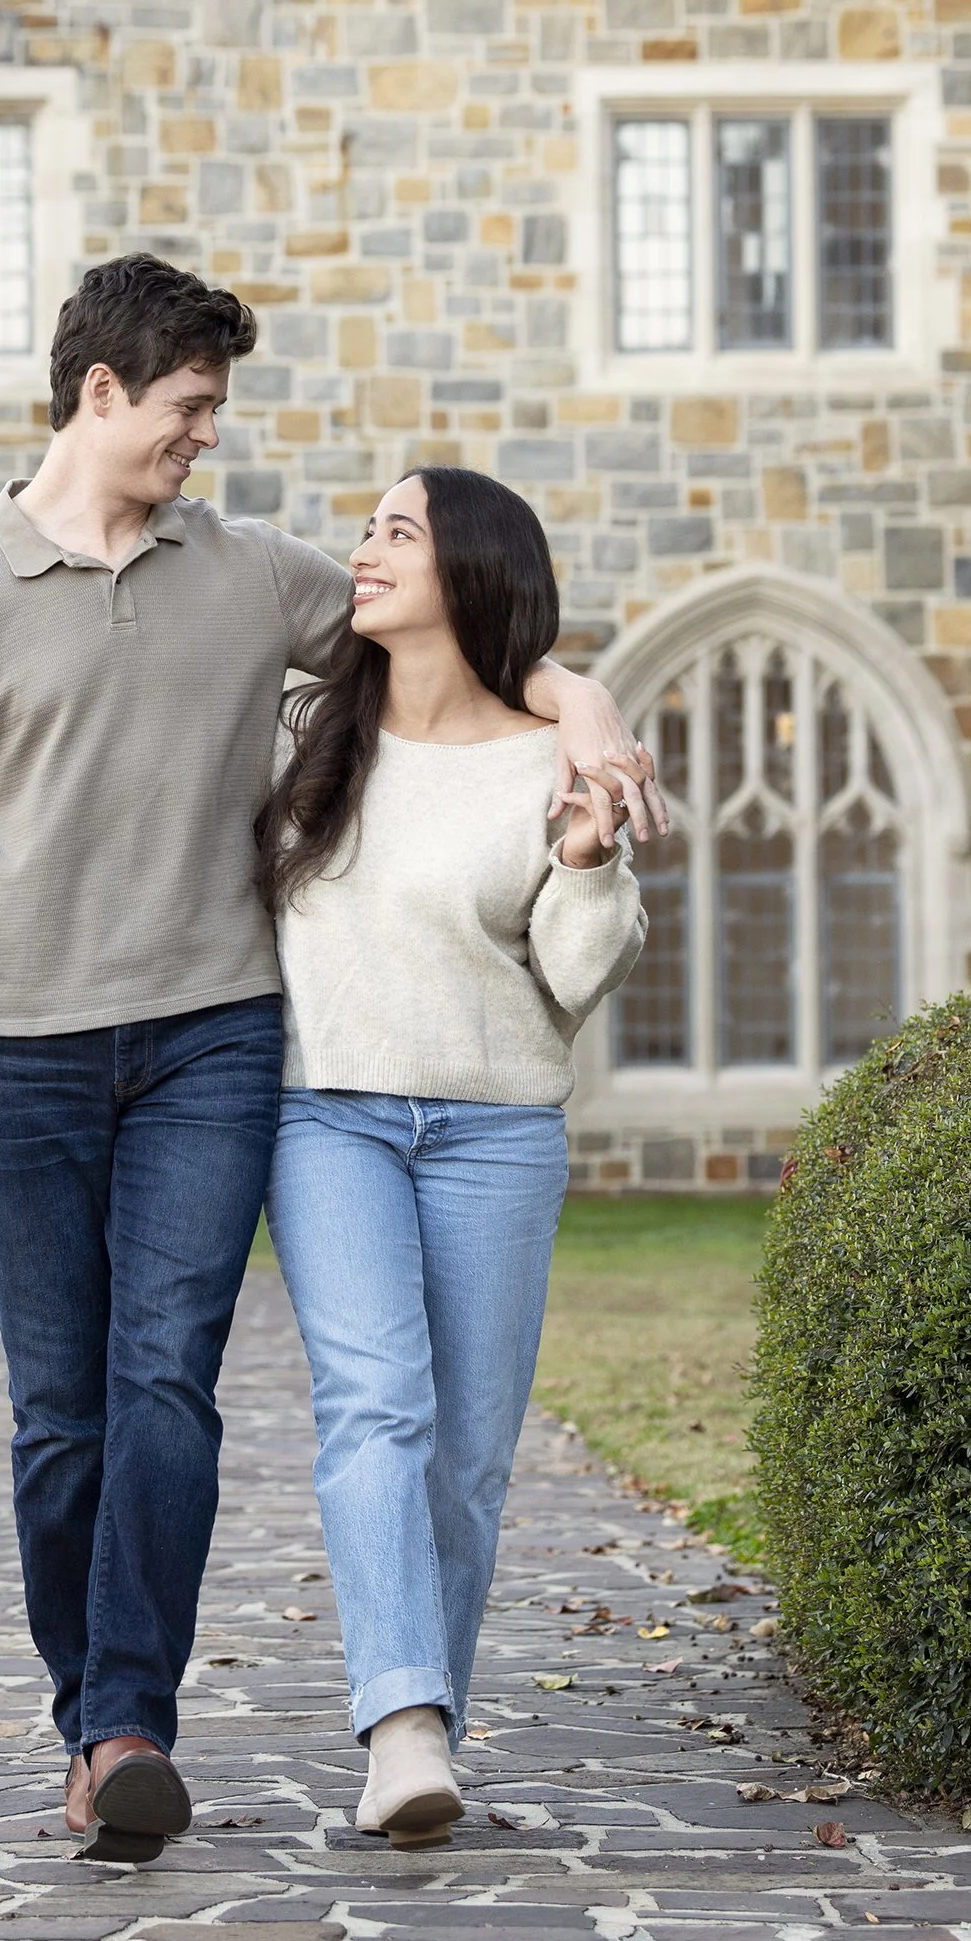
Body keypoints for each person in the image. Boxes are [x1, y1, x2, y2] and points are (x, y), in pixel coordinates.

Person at [0, 256, 662, 1864]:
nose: (205, 439)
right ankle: (90, 1712)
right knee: (58, 1414)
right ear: (100, 395)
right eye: (189, 409)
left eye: (211, 412)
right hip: (23, 1048)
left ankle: (135, 1722)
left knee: (169, 1382)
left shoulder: (251, 572)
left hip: (222, 1037)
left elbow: (466, 640)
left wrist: (587, 708)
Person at [257, 467, 646, 1846]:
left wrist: (590, 859)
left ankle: (428, 1728)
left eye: (396, 532)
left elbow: (578, 976)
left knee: (469, 1460)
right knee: (377, 1406)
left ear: (468, 572)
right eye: (366, 525)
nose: (361, 550)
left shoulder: (548, 760)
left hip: (496, 1132)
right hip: (329, 1119)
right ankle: (401, 1725)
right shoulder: (302, 729)